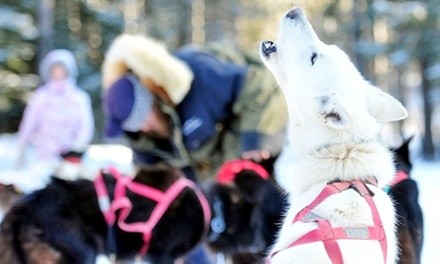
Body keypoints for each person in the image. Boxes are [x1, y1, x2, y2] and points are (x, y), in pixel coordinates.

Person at [102, 34, 287, 182]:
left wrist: (254, 139)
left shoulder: (201, 73)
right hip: (224, 177)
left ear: (153, 98)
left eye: (142, 117)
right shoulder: (145, 140)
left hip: (273, 136)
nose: (142, 127)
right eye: (133, 125)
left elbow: (260, 86)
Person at [16, 49, 95, 171]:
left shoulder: (79, 97)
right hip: (45, 154)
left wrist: (77, 147)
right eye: (55, 69)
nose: (58, 72)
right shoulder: (41, 96)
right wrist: (23, 143)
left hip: (70, 156)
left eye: (61, 69)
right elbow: (30, 120)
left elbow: (86, 125)